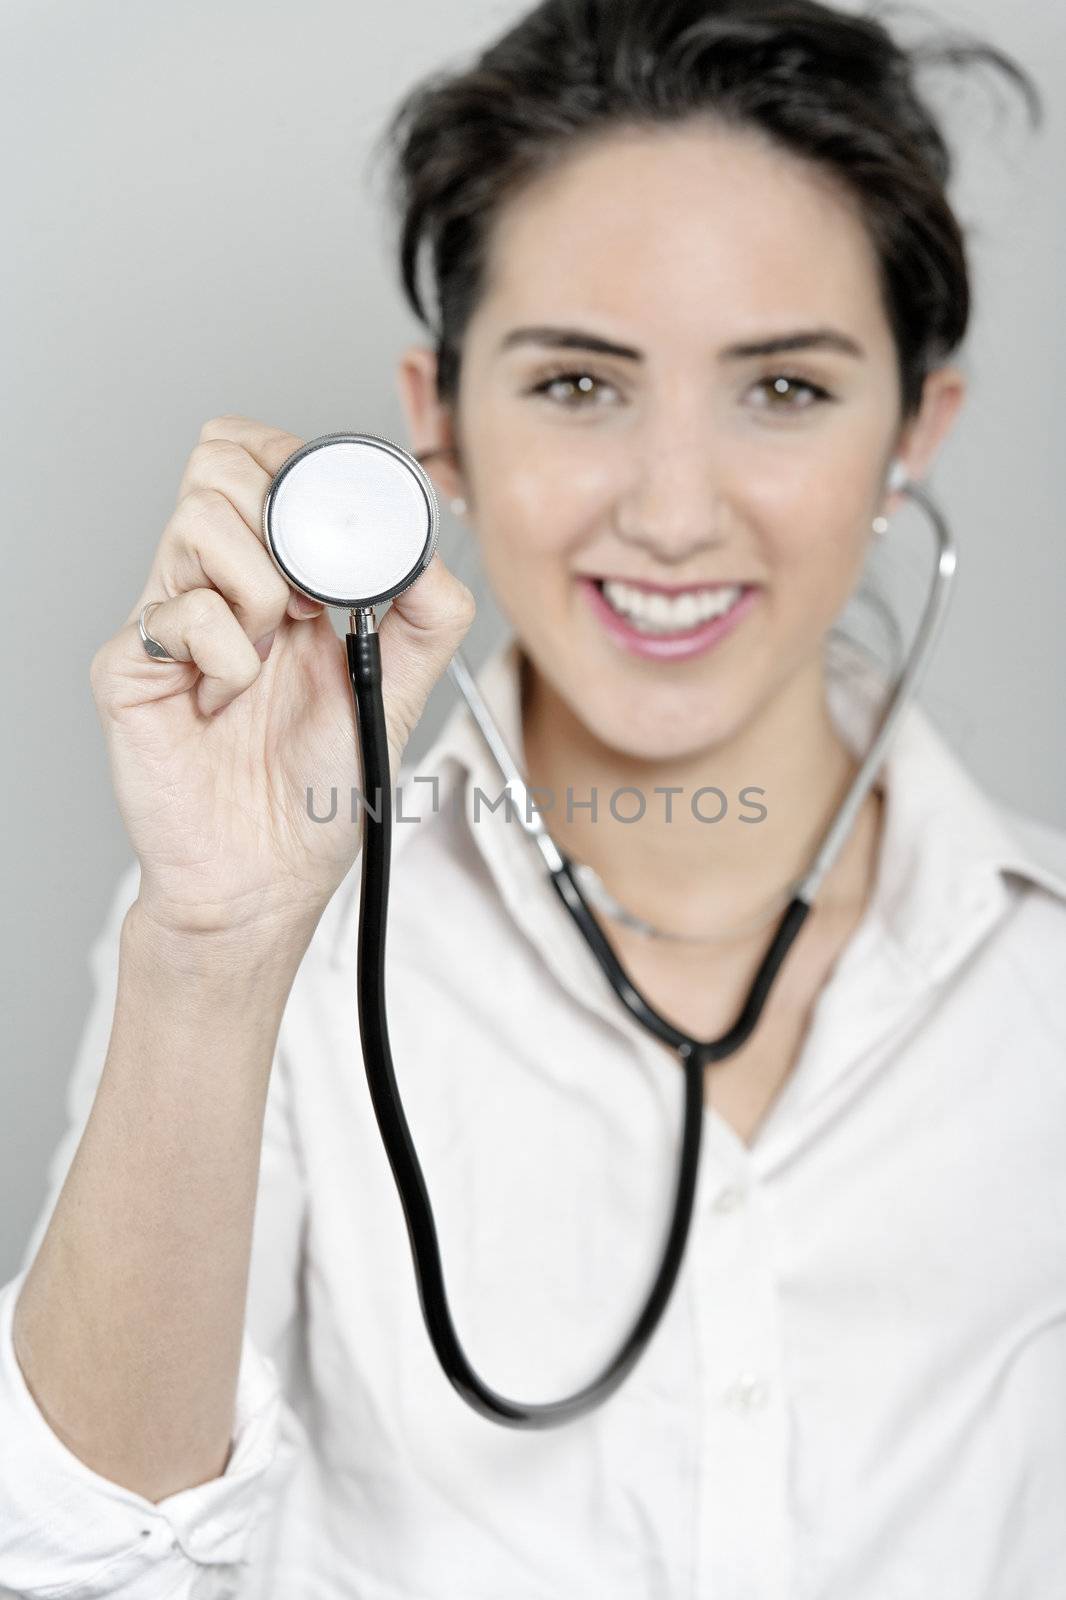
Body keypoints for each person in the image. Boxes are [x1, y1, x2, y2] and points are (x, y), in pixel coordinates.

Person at [1, 0, 1063, 1594]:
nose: (672, 508)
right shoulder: (265, 947)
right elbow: (72, 1565)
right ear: (438, 424)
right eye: (578, 386)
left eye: (782, 390)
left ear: (914, 432)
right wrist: (218, 945)